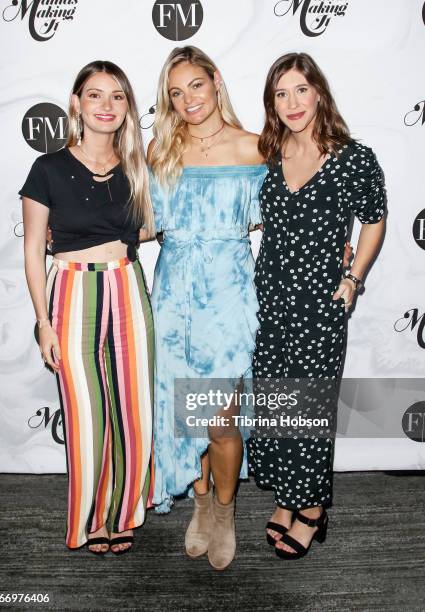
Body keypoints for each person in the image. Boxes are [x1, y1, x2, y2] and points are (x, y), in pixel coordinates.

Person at [249, 52, 386, 559]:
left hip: (319, 303)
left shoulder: (353, 158)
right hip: (270, 298)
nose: (292, 103)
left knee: (307, 406)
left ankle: (311, 508)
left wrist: (353, 279)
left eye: (300, 90)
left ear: (319, 93)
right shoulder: (266, 154)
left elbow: (374, 219)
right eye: (280, 94)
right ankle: (287, 496)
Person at [20, 60, 155, 555]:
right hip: (71, 293)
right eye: (94, 95)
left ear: (127, 108)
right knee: (86, 417)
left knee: (133, 413)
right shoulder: (48, 168)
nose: (106, 105)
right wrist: (43, 322)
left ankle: (123, 514)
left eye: (117, 96)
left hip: (127, 288)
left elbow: (147, 228)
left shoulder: (139, 168)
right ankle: (91, 518)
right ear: (76, 103)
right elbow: (34, 248)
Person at [148, 46, 266, 570]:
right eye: (176, 92)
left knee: (220, 420)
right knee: (184, 415)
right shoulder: (161, 149)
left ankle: (224, 510)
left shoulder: (255, 147)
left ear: (216, 81)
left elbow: (285, 215)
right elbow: (147, 224)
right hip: (173, 293)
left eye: (196, 84)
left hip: (227, 293)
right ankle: (198, 502)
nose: (188, 99)